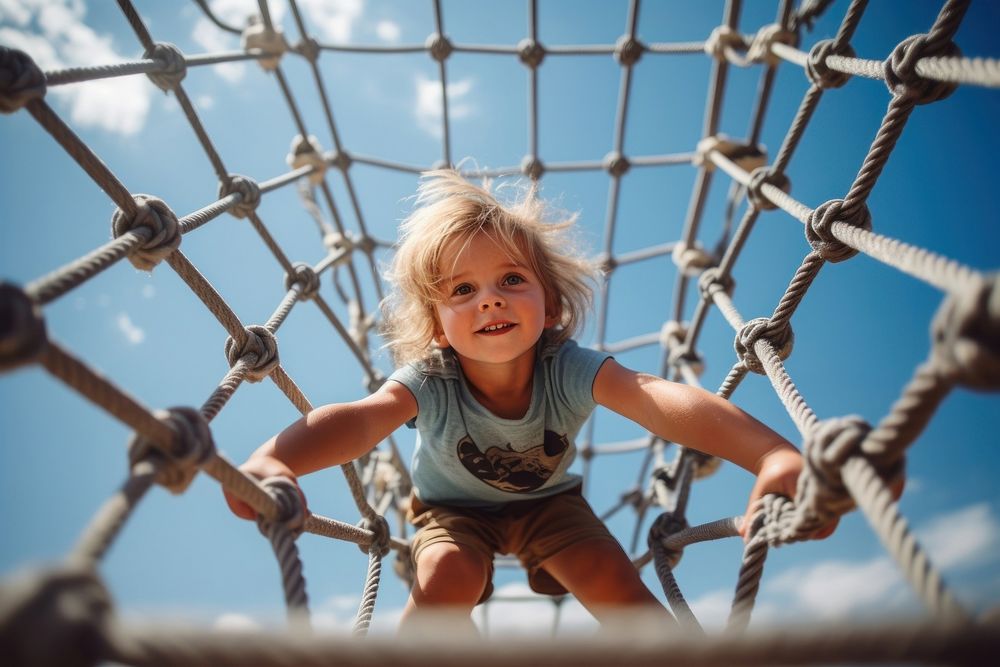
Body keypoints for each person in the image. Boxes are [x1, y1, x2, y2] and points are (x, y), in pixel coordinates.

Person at [224, 169, 826, 634]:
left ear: (552, 305)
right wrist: (276, 462)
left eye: (511, 280)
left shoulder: (566, 367)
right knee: (445, 580)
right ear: (437, 326)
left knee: (611, 579)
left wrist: (770, 455)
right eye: (463, 290)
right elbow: (358, 423)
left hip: (551, 503)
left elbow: (658, 401)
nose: (489, 300)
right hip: (451, 511)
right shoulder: (432, 378)